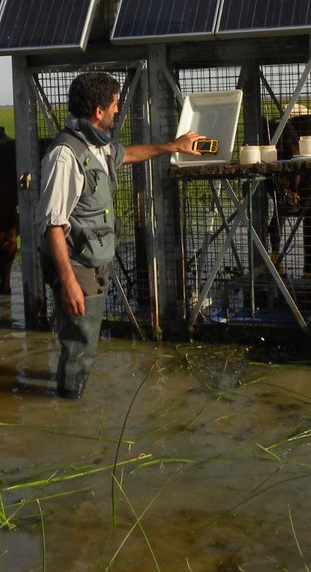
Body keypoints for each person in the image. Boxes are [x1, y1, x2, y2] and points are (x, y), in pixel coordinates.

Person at [37, 71, 202, 398]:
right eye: (114, 104)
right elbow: (52, 225)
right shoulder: (66, 155)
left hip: (92, 261)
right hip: (77, 265)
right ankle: (69, 416)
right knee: (80, 345)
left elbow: (127, 154)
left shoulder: (97, 146)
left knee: (84, 342)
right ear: (99, 111)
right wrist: (68, 281)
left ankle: (69, 398)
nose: (117, 109)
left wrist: (173, 146)